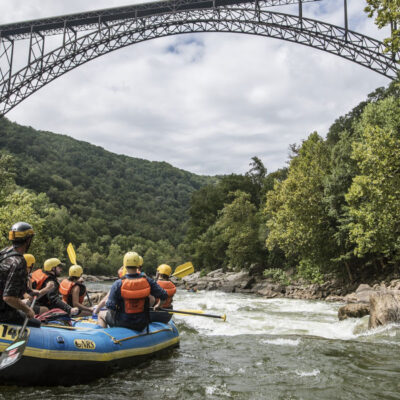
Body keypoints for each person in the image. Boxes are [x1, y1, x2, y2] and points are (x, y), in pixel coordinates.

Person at [97, 252, 167, 330]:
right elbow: (164, 295)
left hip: (123, 322)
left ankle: (104, 336)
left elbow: (110, 306)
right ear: (138, 264)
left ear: (124, 264)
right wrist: (158, 305)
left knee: (101, 314)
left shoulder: (118, 283)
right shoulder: (148, 280)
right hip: (142, 322)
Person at [0, 222, 40, 326]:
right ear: (28, 240)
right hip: (4, 314)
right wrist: (27, 310)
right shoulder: (19, 262)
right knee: (36, 323)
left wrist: (29, 291)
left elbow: (8, 280)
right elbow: (8, 297)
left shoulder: (4, 252)